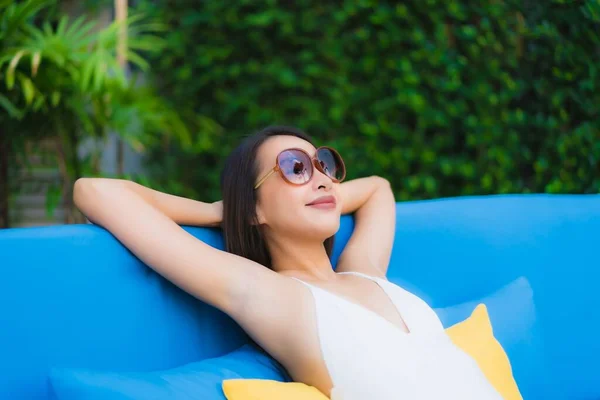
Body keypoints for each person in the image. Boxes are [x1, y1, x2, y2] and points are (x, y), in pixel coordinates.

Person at [73, 125, 502, 399]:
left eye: (324, 165)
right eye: (294, 167)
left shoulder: (365, 269)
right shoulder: (273, 296)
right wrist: (225, 210)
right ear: (256, 209)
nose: (319, 176)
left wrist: (314, 192)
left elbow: (377, 189)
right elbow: (96, 191)